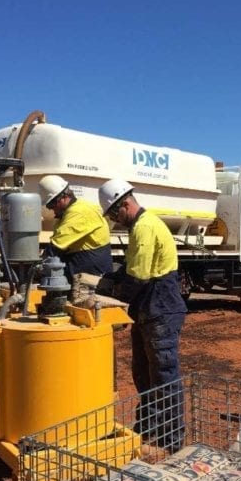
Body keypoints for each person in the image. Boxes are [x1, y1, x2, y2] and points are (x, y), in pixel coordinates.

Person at [98, 179, 186, 454]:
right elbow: (132, 267)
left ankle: (170, 442)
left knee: (163, 376)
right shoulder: (141, 227)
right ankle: (147, 430)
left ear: (125, 204)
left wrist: (115, 300)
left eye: (114, 213)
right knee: (143, 375)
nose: (114, 219)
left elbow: (138, 277)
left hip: (159, 306)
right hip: (148, 309)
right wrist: (110, 278)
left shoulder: (145, 227)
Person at [38, 175, 113, 279]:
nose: (51, 209)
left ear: (62, 198)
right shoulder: (70, 212)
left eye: (51, 205)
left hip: (92, 278)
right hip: (84, 272)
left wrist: (38, 268)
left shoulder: (78, 212)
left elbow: (55, 248)